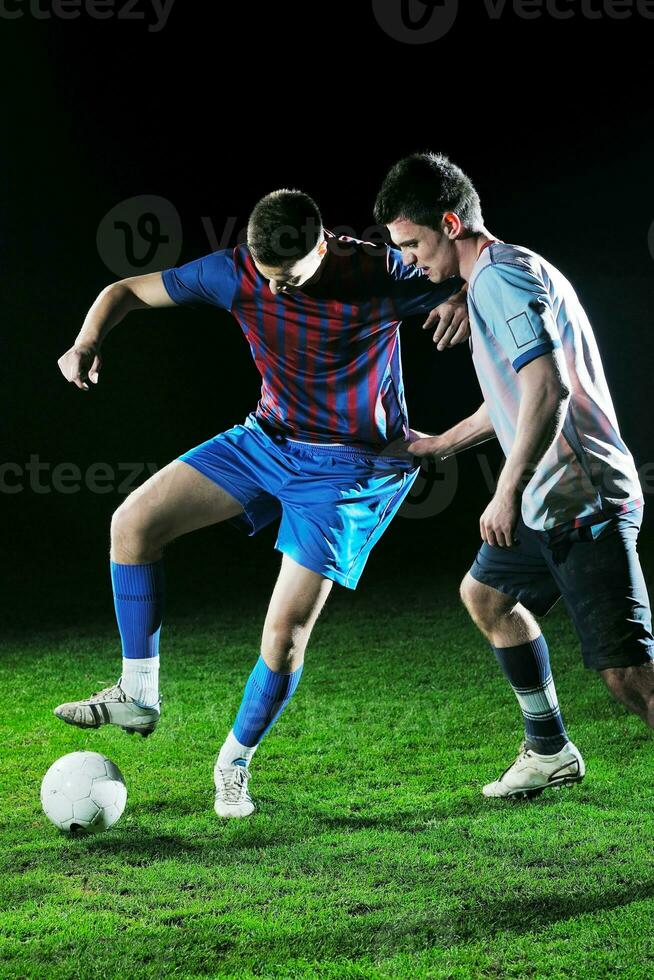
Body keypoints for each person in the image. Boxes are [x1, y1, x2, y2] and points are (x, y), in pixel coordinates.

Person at [55, 188, 469, 817]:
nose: (276, 290)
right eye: (268, 278)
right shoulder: (235, 272)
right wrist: (85, 340)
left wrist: (465, 294)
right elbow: (126, 291)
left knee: (283, 638)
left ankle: (234, 764)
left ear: (323, 246)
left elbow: (477, 270)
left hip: (349, 468)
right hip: (266, 439)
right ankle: (138, 693)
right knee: (132, 524)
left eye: (291, 278)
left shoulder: (378, 272)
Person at [374, 153, 654, 799]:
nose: (411, 259)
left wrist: (504, 491)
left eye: (414, 244)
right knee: (487, 598)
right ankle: (550, 749)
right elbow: (514, 396)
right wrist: (442, 443)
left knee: (628, 676)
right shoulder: (497, 278)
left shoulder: (502, 279)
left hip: (583, 500)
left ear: (450, 222)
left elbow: (547, 388)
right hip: (549, 500)